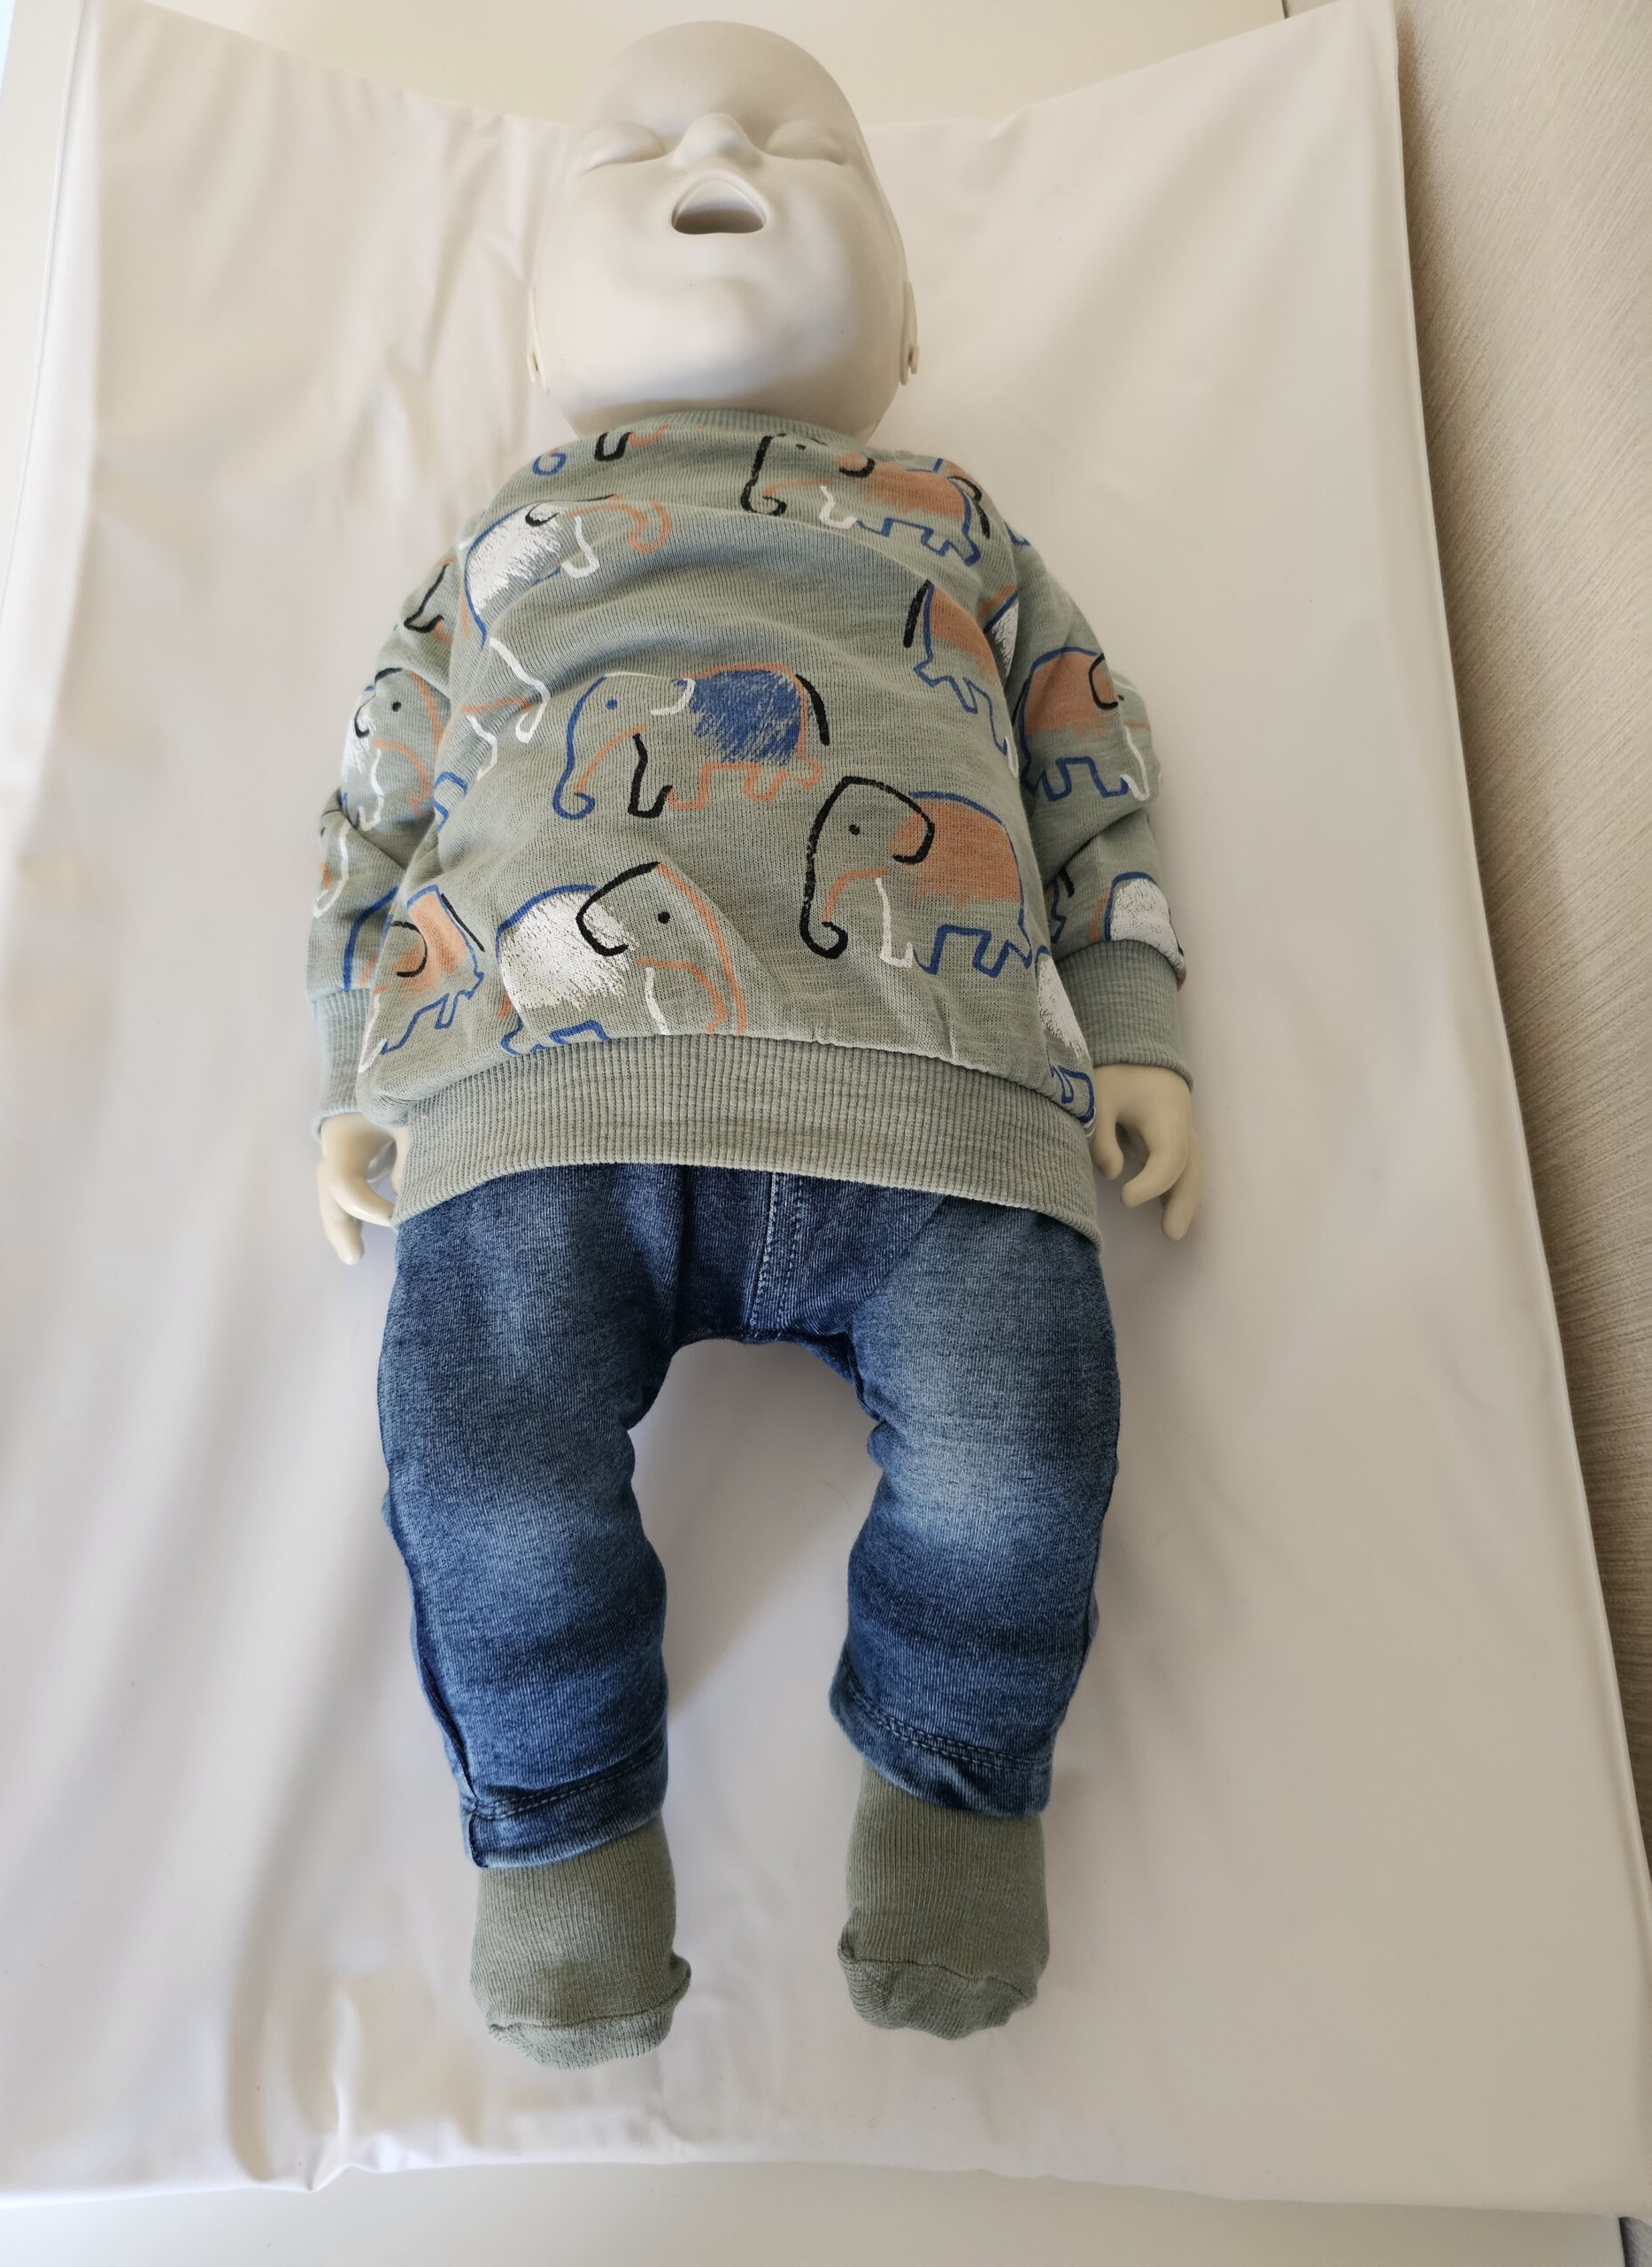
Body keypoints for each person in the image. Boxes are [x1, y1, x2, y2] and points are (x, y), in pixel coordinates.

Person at [306, 19, 1201, 2070]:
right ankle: (560, 1834)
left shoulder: (954, 524)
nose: (721, 144)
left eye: (806, 146)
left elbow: (1089, 770)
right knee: (483, 1473)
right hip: (542, 1097)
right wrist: (356, 1059)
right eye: (637, 155)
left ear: (904, 335)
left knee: (1024, 1458)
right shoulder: (504, 538)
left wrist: (1136, 1014)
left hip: (946, 1108)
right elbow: (374, 805)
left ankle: (958, 1786)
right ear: (547, 339)